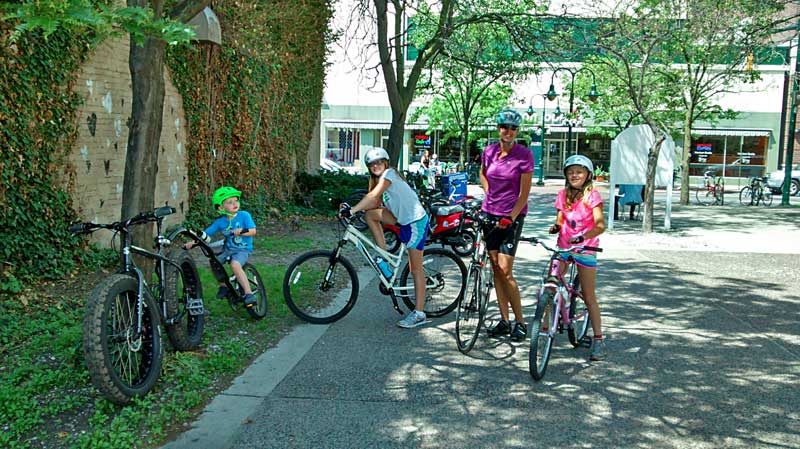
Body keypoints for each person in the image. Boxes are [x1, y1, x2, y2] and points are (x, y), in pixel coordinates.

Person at [339, 149, 431, 328]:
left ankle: (419, 313)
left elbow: (373, 196)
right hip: (402, 219)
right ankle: (383, 255)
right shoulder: (379, 181)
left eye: (378, 162)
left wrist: (351, 211)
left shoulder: (390, 174)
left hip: (415, 221)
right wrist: (351, 206)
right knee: (371, 215)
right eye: (372, 164)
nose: (375, 166)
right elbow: (373, 202)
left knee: (416, 269)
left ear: (386, 162)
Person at [480, 108, 534, 342]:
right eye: (504, 127)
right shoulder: (489, 151)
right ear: (498, 128)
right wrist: (488, 194)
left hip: (511, 216)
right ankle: (504, 320)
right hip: (489, 214)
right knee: (495, 269)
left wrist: (510, 217)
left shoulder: (524, 155)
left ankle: (520, 322)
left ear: (517, 131)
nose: (508, 131)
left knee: (506, 271)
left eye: (513, 128)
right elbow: (482, 174)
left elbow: (524, 194)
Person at [548, 154, 607, 361]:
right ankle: (543, 331)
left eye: (579, 172)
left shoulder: (593, 196)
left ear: (588, 175)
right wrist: (556, 226)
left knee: (589, 297)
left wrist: (583, 236)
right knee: (550, 284)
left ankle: (598, 338)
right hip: (564, 247)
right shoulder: (562, 195)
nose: (574, 175)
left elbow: (600, 225)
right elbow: (560, 218)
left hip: (586, 249)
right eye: (571, 172)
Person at [186, 186, 258, 308]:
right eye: (230, 202)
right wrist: (192, 242)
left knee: (235, 265)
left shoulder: (244, 215)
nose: (235, 204)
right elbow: (206, 234)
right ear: (220, 207)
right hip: (228, 249)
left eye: (236, 200)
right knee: (214, 262)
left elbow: (253, 231)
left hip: (242, 249)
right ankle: (223, 285)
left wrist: (241, 231)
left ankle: (249, 293)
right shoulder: (221, 222)